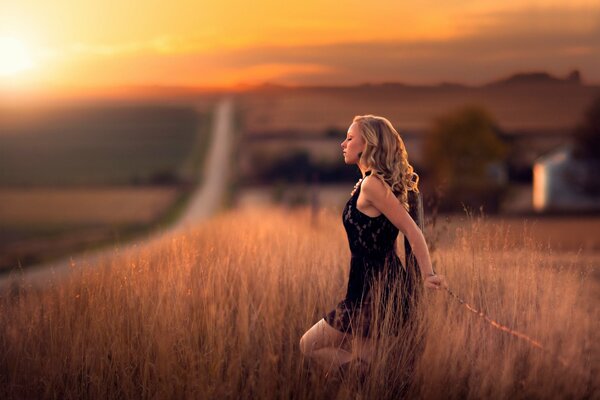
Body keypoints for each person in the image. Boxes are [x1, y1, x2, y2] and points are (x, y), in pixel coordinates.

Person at [299, 114, 447, 377]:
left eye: (350, 138)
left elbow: (412, 231)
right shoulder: (369, 183)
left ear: (366, 144)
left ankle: (366, 380)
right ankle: (368, 382)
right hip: (369, 289)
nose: (343, 144)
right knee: (365, 367)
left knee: (309, 345)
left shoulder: (372, 185)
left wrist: (427, 275)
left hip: (375, 291)